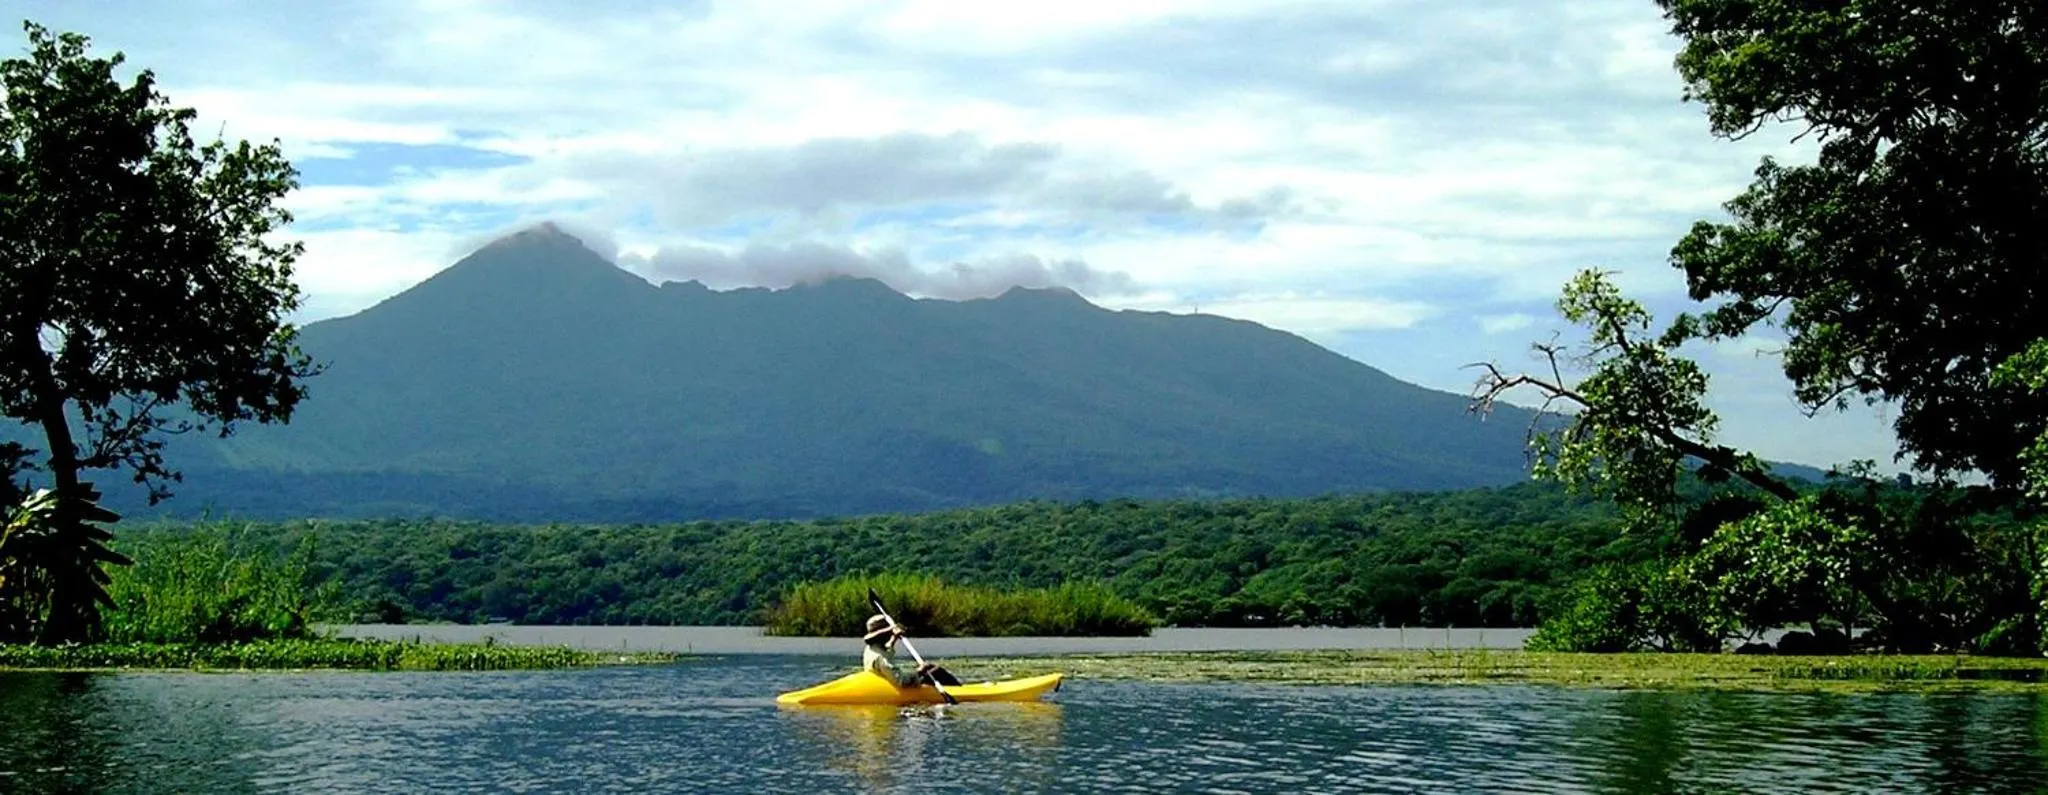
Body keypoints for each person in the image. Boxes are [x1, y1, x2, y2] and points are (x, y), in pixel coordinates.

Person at [862, 614, 960, 688]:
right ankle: (959, 691)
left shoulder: (872, 648)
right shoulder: (881, 657)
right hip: (893, 686)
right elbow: (901, 681)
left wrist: (894, 638)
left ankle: (954, 689)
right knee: (936, 671)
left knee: (929, 666)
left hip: (885, 680)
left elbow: (887, 651)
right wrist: (919, 672)